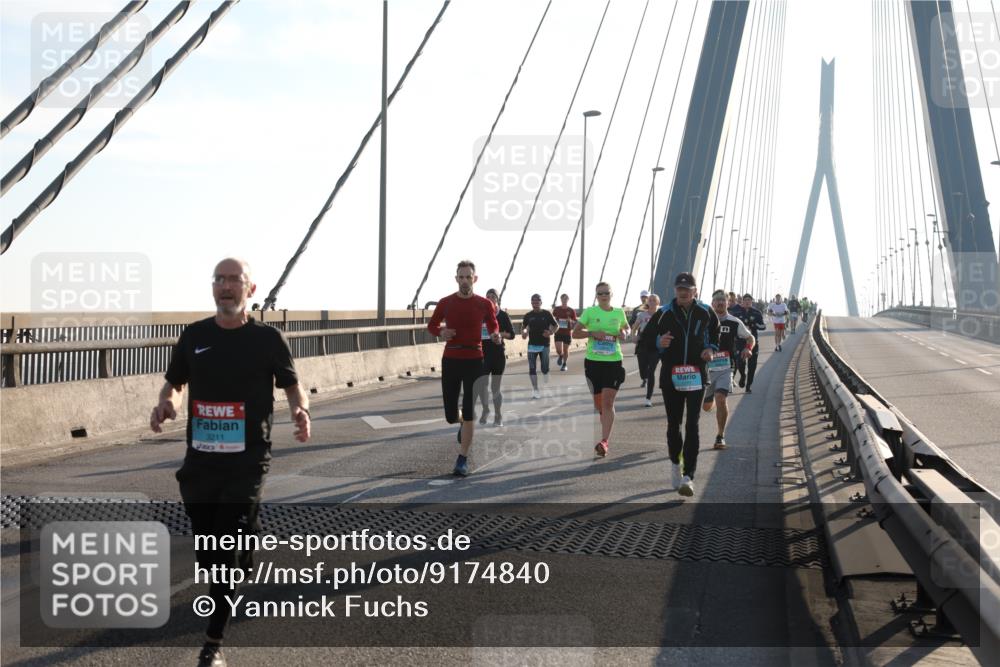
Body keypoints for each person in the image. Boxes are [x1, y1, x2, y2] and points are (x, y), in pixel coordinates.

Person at [151, 257, 311, 667]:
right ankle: (246, 536)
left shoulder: (268, 339)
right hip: (200, 465)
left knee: (224, 548)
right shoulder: (194, 336)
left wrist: (300, 412)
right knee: (211, 552)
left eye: (234, 280)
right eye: (219, 280)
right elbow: (176, 382)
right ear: (212, 288)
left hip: (247, 461)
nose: (226, 286)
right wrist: (167, 403)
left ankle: (212, 642)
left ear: (250, 290)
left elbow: (293, 386)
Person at [647, 272, 719, 496]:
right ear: (675, 290)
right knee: (674, 425)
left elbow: (715, 336)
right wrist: (659, 342)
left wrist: (710, 349)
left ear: (695, 291)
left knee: (692, 425)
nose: (683, 292)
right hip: (672, 377)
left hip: (697, 375)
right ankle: (675, 464)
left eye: (688, 289)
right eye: (680, 288)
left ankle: (689, 476)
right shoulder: (663, 313)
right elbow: (646, 340)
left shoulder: (706, 312)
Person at [427, 260, 501, 477]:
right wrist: (441, 332)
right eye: (461, 277)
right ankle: (459, 421)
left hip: (475, 359)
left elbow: (493, 323)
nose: (465, 281)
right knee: (451, 414)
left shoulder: (484, 303)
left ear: (475, 279)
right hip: (451, 358)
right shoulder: (446, 302)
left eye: (469, 277)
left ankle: (462, 458)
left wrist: (495, 334)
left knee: (469, 410)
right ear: (456, 278)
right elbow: (431, 325)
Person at [573, 282, 630, 457]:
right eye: (600, 293)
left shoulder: (619, 313)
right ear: (596, 296)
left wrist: (624, 333)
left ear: (611, 294)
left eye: (606, 293)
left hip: (613, 361)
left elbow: (626, 328)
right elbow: (575, 333)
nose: (603, 296)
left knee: (608, 402)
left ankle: (604, 442)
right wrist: (592, 333)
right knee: (599, 404)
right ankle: (604, 415)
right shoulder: (590, 312)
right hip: (593, 362)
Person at [702, 290, 755, 449]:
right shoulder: (704, 320)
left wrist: (748, 348)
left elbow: (750, 337)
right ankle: (709, 401)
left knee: (721, 398)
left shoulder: (734, 321)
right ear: (712, 303)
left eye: (722, 300)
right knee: (706, 407)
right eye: (716, 300)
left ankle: (720, 436)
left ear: (728, 302)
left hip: (726, 365)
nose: (719, 303)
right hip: (706, 367)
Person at [479, 288, 515, 427]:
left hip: (498, 355)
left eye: (493, 296)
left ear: (497, 299)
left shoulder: (503, 315)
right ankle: (486, 409)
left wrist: (500, 334)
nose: (490, 298)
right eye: (487, 296)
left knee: (495, 388)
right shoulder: (480, 314)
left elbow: (512, 334)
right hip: (483, 355)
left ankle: (498, 416)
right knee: (482, 385)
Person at [521, 294, 559, 398]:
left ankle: (546, 372)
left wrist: (550, 332)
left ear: (541, 303)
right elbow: (524, 327)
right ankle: (535, 390)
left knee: (544, 368)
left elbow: (556, 326)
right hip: (532, 345)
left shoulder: (546, 314)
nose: (535, 303)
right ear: (531, 303)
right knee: (532, 368)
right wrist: (524, 333)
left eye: (537, 302)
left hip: (544, 345)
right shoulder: (528, 315)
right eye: (533, 302)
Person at [731, 293, 766, 393]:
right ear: (742, 301)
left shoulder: (756, 312)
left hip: (753, 342)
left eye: (749, 300)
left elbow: (763, 326)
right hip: (740, 342)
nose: (747, 302)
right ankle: (743, 375)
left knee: (752, 365)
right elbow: (731, 324)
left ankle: (748, 386)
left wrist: (754, 325)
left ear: (751, 301)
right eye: (745, 300)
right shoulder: (736, 311)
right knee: (740, 362)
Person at [633, 292, 662, 406]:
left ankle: (648, 398)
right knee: (642, 369)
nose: (652, 302)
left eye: (654, 300)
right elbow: (634, 328)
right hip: (643, 344)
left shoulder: (662, 315)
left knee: (651, 371)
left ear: (658, 303)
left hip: (655, 345)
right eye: (650, 300)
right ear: (647, 302)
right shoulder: (642, 315)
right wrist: (633, 336)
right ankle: (643, 378)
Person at [552, 293, 577, 371]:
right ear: (561, 300)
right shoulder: (557, 309)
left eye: (566, 299)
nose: (564, 300)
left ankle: (564, 364)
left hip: (567, 332)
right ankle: (560, 355)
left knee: (566, 349)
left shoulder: (571, 310)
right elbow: (552, 318)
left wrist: (570, 321)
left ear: (568, 300)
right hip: (558, 332)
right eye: (563, 299)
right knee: (558, 350)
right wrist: (556, 321)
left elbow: (575, 321)